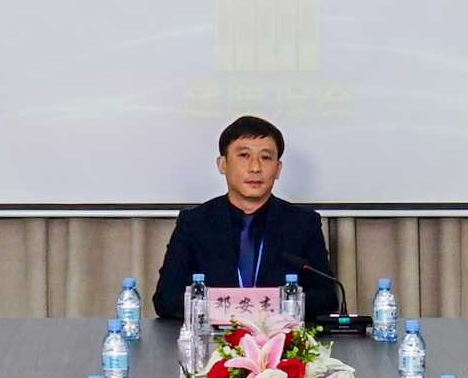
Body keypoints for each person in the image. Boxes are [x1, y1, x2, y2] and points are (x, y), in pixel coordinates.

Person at [149, 111, 347, 326]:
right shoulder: (195, 223)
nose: (255, 168)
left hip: (279, 338)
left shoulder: (302, 224)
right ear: (222, 164)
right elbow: (166, 298)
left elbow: (326, 297)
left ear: (278, 169)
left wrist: (267, 311)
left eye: (266, 157)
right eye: (244, 156)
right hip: (211, 339)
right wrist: (229, 310)